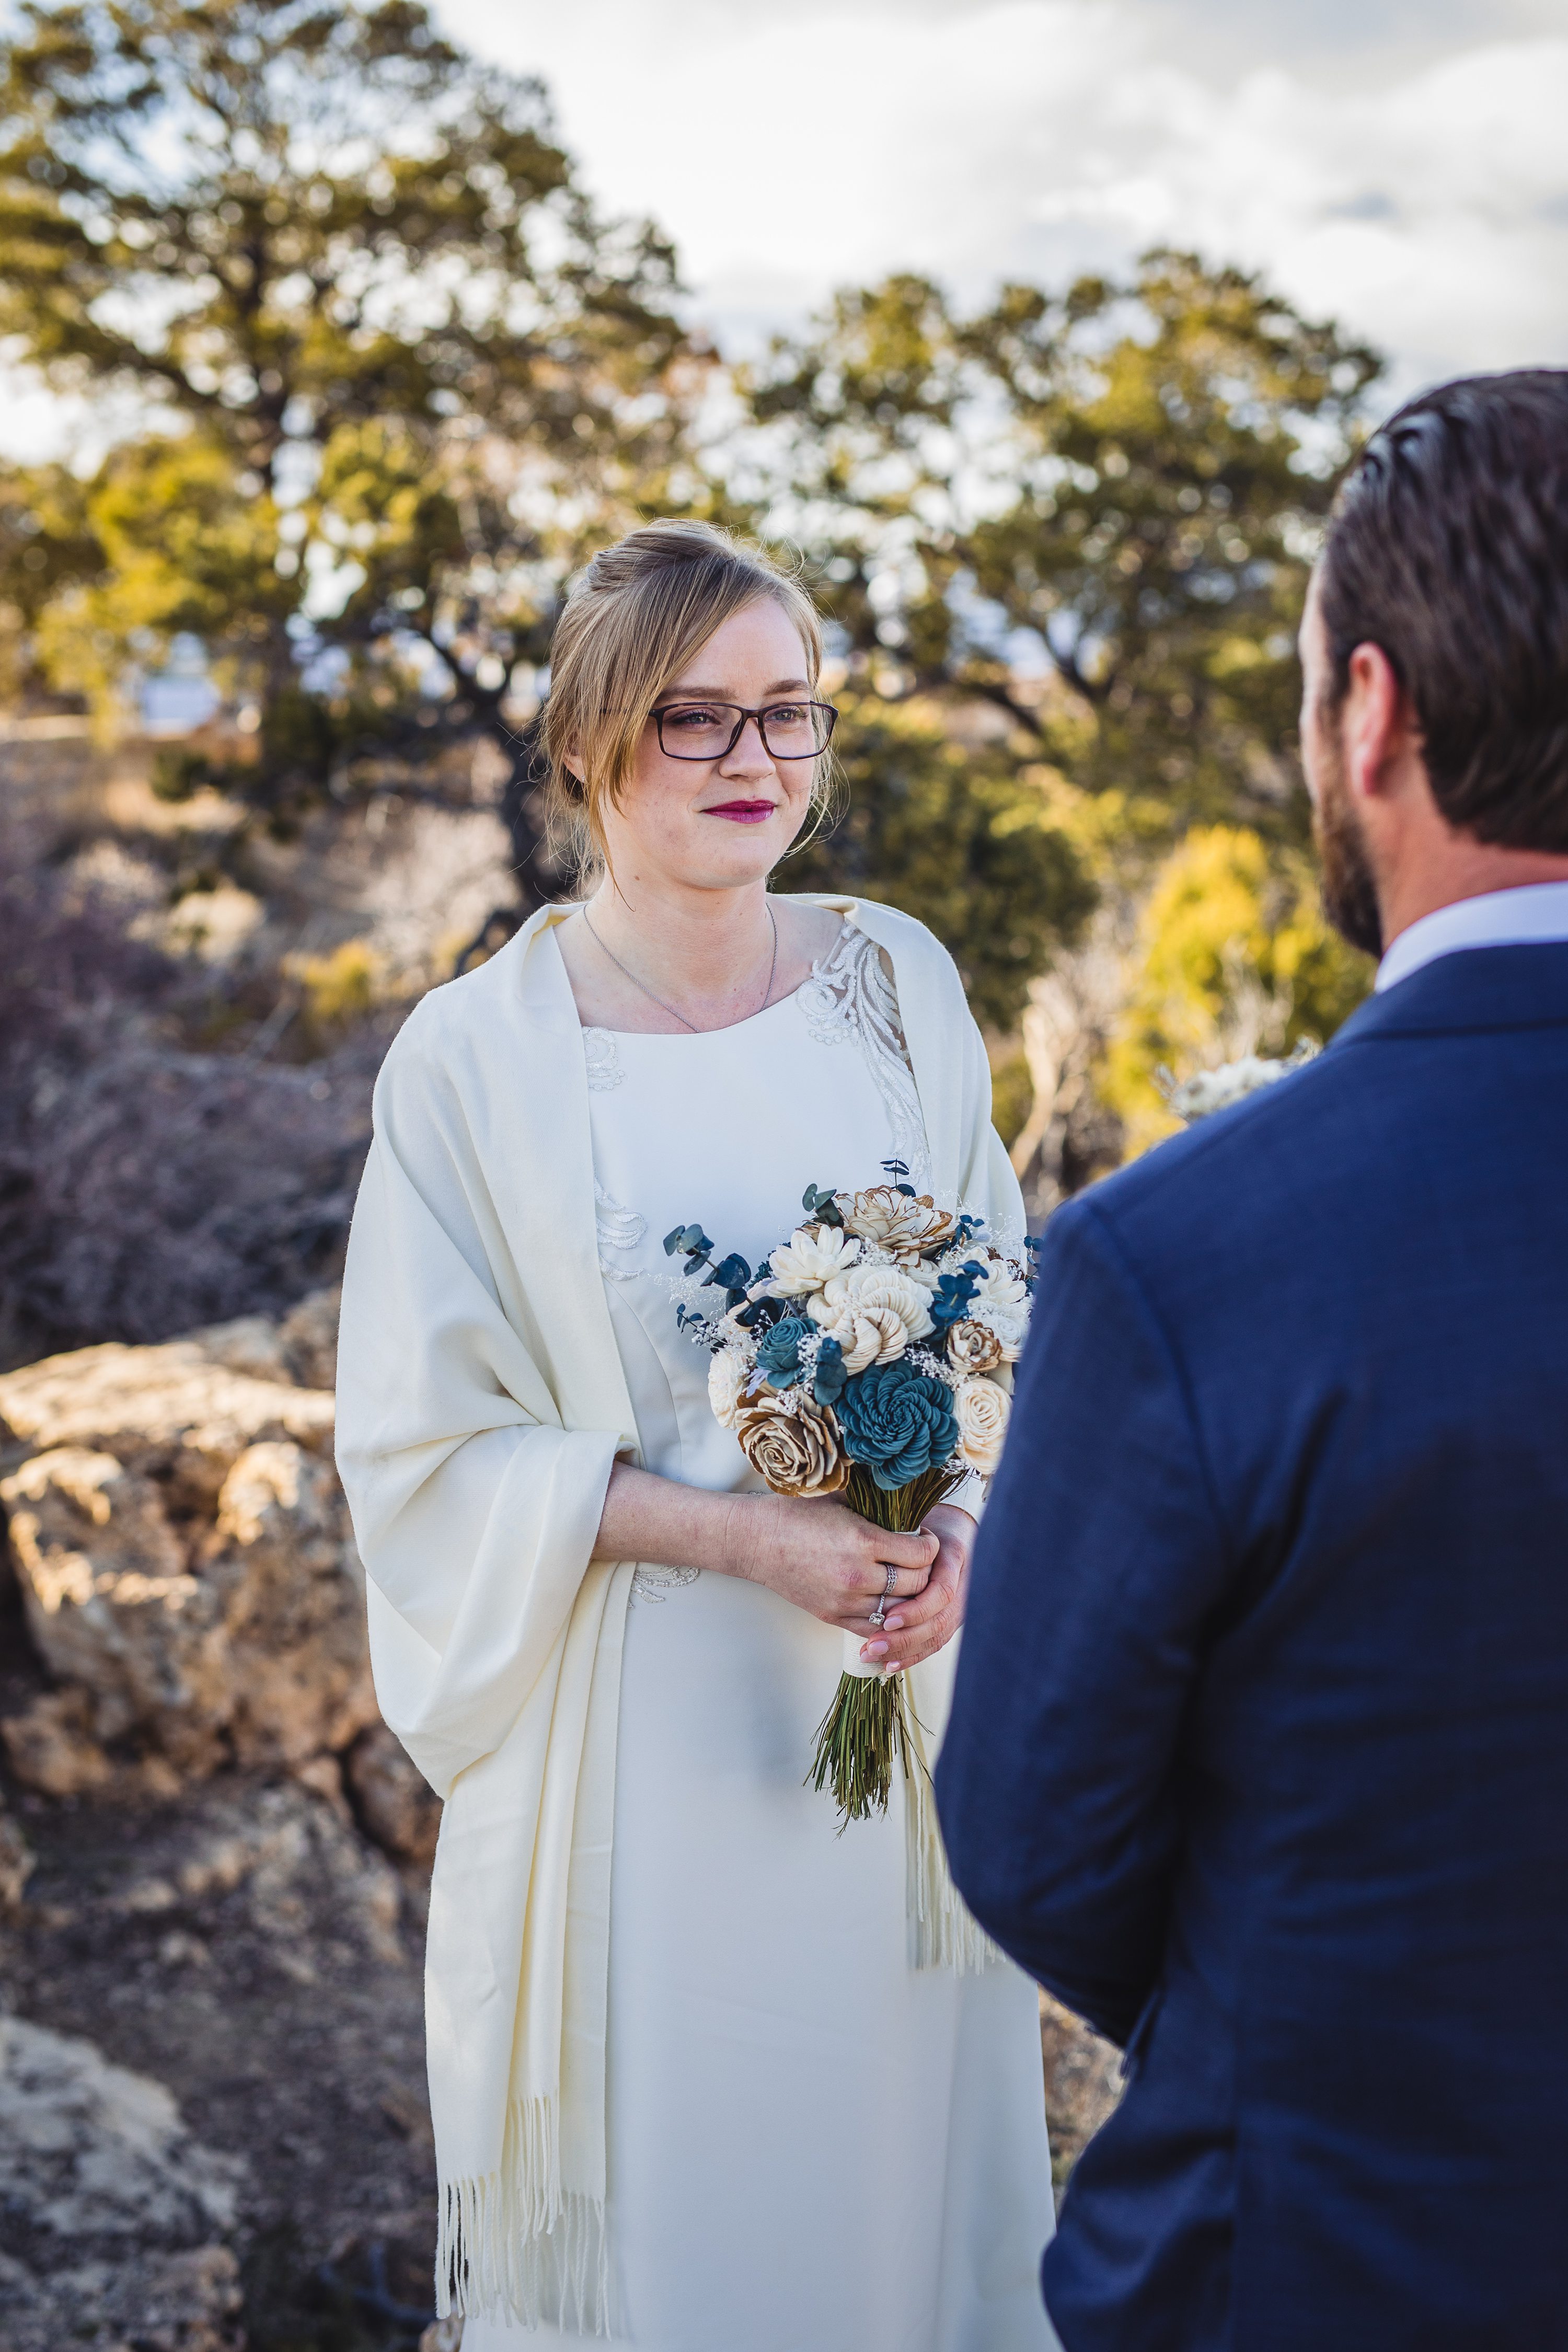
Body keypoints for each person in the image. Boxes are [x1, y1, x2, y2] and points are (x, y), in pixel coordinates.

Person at [335, 520, 1056, 2349]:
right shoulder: (472, 1058)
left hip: (897, 1729)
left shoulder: (900, 983)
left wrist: (964, 1517)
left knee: (895, 2218)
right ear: (590, 740)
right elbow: (421, 1447)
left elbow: (1000, 1299)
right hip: (642, 1758)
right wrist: (749, 1536)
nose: (757, 763)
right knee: (691, 2240)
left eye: (792, 715)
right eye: (699, 721)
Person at [936, 370, 1568, 2351]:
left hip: (1325, 2257)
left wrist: (1298, 1996)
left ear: (1368, 713)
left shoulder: (1177, 1259)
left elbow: (1035, 1831)